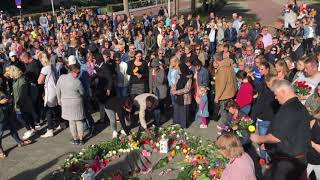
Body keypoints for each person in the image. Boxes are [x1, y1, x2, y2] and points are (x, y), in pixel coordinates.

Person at [250, 80, 312, 180]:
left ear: (283, 92)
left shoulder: (287, 109)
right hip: (300, 159)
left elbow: (276, 137)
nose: (275, 97)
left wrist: (259, 138)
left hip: (287, 162)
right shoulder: (300, 107)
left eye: (276, 94)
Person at [56, 64, 85, 145]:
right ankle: (81, 139)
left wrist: (59, 100)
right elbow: (82, 92)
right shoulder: (77, 82)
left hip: (66, 102)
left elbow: (57, 89)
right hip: (77, 102)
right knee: (78, 121)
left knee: (71, 121)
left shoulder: (61, 78)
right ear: (72, 71)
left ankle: (76, 139)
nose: (78, 74)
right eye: (77, 73)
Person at [4, 65, 36, 140]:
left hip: (21, 102)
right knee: (26, 115)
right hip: (21, 101)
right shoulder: (17, 78)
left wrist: (17, 103)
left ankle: (29, 130)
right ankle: (33, 129)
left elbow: (22, 93)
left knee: (20, 117)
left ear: (12, 72)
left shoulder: (21, 80)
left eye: (8, 72)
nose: (7, 74)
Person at [0, 87, 31, 158]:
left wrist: (10, 99)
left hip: (8, 112)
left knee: (13, 128)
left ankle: (19, 142)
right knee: (0, 133)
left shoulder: (2, 87)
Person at [37, 52, 59, 138]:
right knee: (55, 108)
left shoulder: (45, 68)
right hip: (55, 89)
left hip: (49, 91)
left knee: (48, 111)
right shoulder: (53, 67)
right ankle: (60, 123)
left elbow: (39, 81)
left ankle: (50, 130)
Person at [172, 63, 192, 129]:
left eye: (179, 69)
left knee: (183, 112)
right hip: (178, 97)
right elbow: (176, 84)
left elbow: (187, 89)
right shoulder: (179, 76)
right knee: (177, 110)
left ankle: (183, 125)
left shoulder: (188, 78)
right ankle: (177, 123)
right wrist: (173, 88)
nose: (178, 70)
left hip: (184, 98)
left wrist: (176, 92)